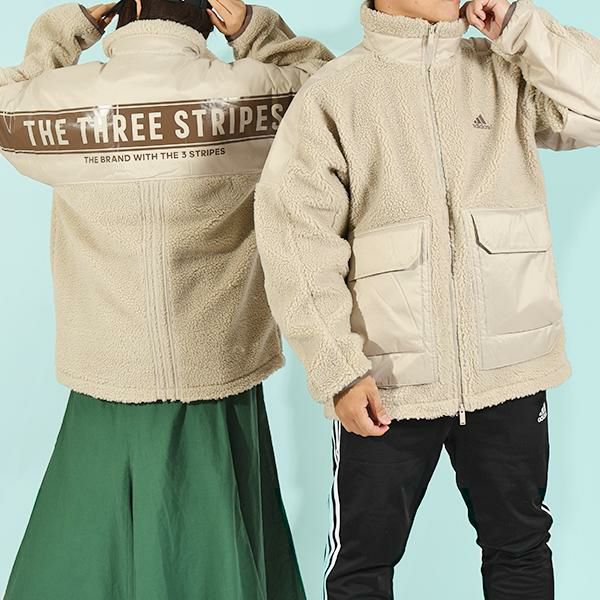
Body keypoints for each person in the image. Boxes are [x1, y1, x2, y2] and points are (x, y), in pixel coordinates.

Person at [254, 0, 600, 597]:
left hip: (510, 373)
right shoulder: (336, 93)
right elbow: (296, 241)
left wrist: (519, 26)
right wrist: (339, 370)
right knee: (362, 566)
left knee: (521, 548)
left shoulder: (505, 70)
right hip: (386, 384)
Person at [0, 1, 331, 598]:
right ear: (207, 14)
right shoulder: (248, 90)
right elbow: (329, 92)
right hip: (218, 370)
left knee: (89, 562)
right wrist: (253, 29)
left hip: (106, 374)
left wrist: (74, 26)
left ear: (126, 11)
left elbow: (5, 102)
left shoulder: (65, 101)